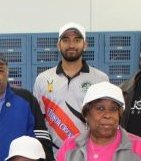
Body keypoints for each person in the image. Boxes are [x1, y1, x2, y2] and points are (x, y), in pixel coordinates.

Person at [33, 22, 109, 152]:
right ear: (58, 45)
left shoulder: (100, 79)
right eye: (66, 40)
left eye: (77, 40)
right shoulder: (42, 79)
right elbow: (38, 122)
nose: (71, 45)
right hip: (54, 157)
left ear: (85, 45)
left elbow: (105, 120)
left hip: (89, 154)